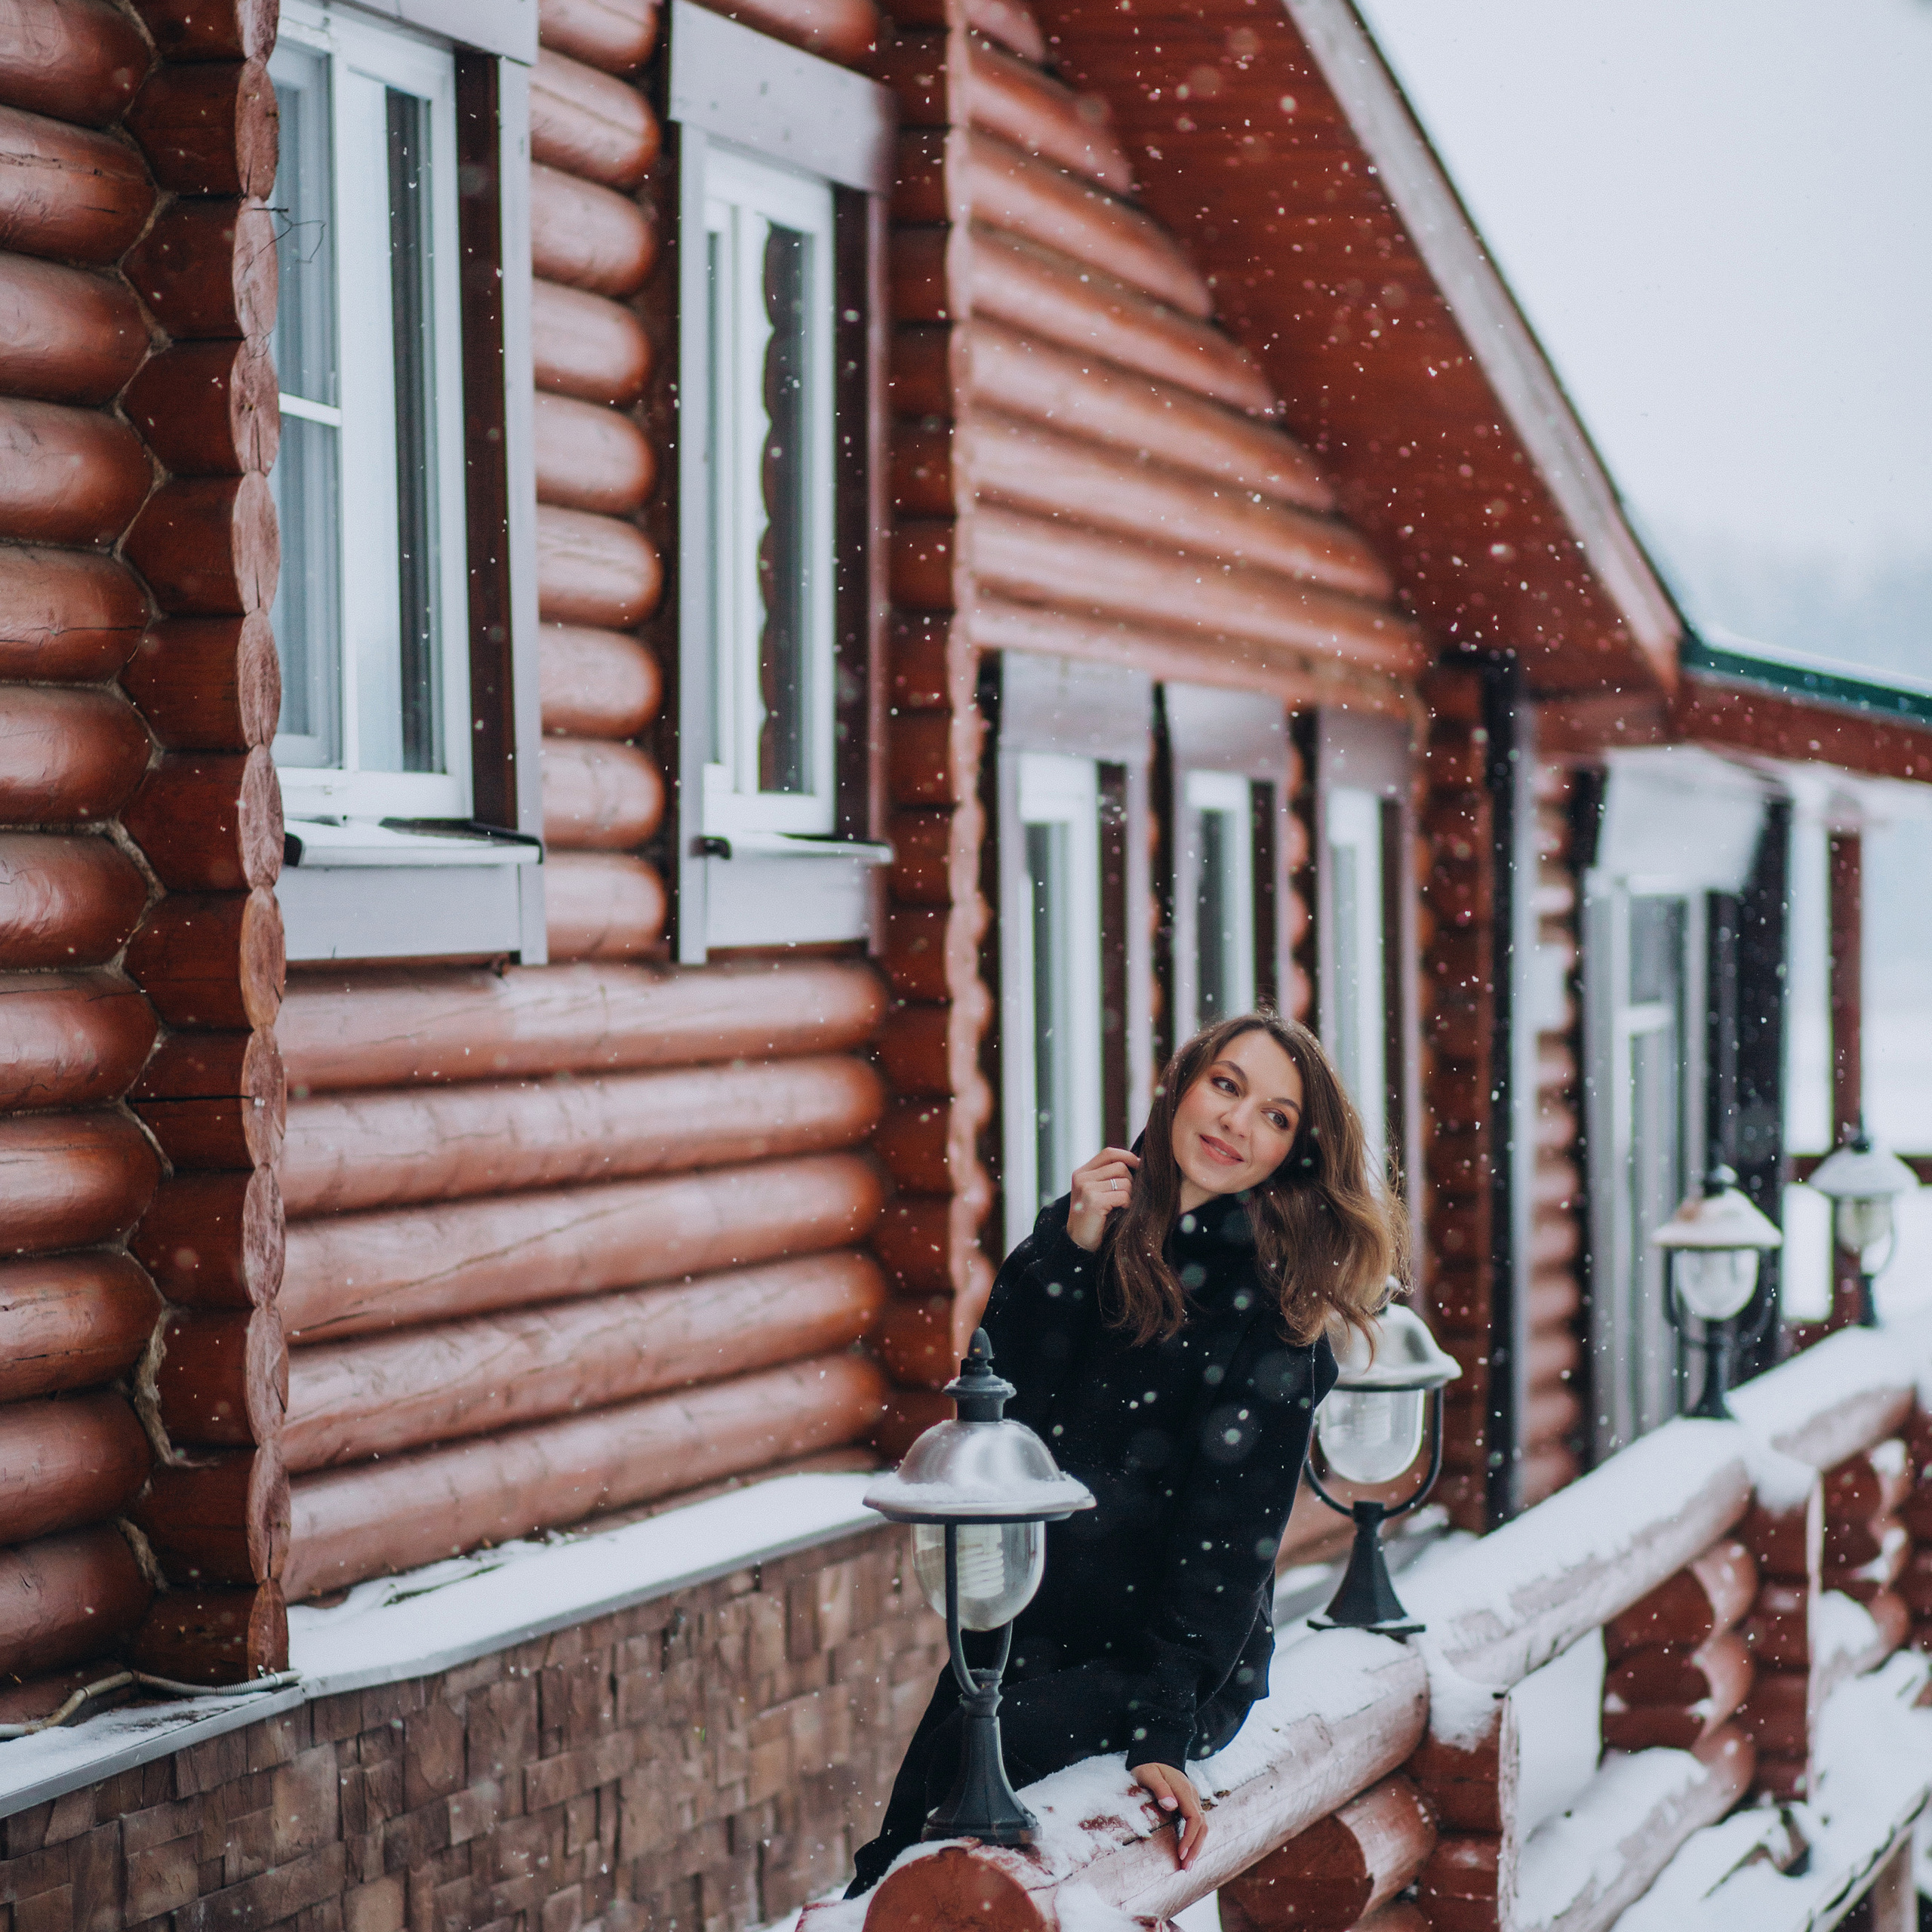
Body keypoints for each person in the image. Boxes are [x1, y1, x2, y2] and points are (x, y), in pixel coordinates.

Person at [847, 1011, 1407, 1896]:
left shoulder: (1272, 1316)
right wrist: (1066, 1252)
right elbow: (997, 1421)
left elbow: (1229, 1535)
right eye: (1226, 1085)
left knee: (970, 1810)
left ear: (1293, 1154)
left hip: (1169, 1659)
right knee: (913, 1825)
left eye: (1275, 1115)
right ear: (1182, 1085)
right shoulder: (1087, 1234)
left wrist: (1163, 1723)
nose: (1234, 1122)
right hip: (1037, 1628)